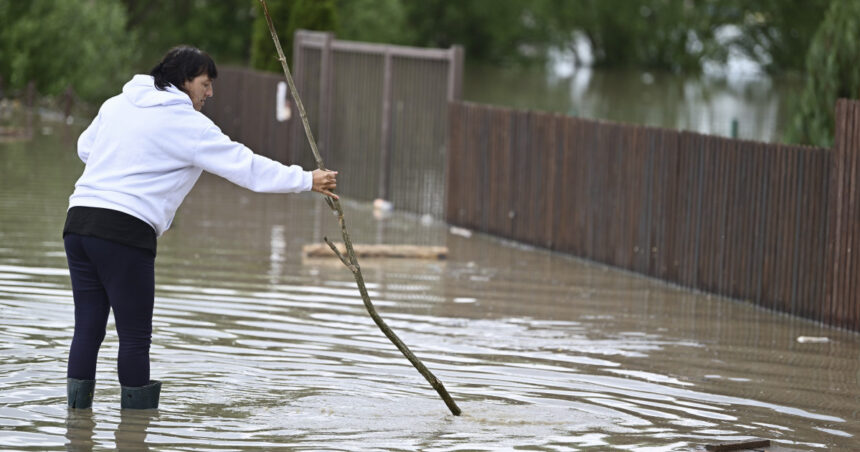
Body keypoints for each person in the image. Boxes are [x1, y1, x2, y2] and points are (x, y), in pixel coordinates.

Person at [63, 45, 338, 410]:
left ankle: (76, 426)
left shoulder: (117, 104)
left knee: (87, 328)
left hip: (79, 222)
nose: (210, 93)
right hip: (124, 233)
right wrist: (306, 179)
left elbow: (86, 148)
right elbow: (246, 167)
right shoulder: (189, 125)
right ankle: (135, 433)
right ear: (184, 80)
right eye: (206, 84)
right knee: (133, 337)